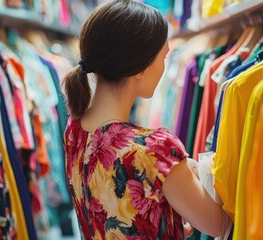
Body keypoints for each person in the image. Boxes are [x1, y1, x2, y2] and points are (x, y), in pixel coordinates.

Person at [62, 0, 229, 239]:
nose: (164, 66)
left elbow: (114, 208)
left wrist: (165, 219)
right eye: (163, 57)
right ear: (140, 68)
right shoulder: (155, 150)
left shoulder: (74, 130)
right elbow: (219, 225)